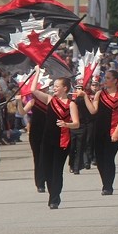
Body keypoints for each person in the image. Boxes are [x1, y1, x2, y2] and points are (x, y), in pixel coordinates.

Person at [31, 73, 80, 209]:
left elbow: (76, 123)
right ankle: (52, 193)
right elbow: (33, 90)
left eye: (57, 86)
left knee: (56, 170)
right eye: (54, 86)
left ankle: (54, 198)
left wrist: (66, 124)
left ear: (65, 88)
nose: (54, 88)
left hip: (62, 141)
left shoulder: (71, 104)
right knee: (46, 169)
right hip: (47, 140)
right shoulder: (50, 99)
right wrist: (36, 72)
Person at [81, 70, 118, 196]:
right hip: (99, 130)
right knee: (100, 159)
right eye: (105, 77)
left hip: (113, 130)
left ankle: (108, 186)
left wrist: (117, 131)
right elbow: (93, 110)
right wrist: (85, 96)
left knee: (108, 158)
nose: (105, 80)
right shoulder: (99, 94)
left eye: (108, 78)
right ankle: (105, 182)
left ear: (115, 80)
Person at [23, 79, 48, 193]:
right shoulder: (33, 101)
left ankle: (48, 179)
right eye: (41, 89)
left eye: (45, 88)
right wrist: (19, 102)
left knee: (46, 156)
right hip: (35, 132)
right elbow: (22, 112)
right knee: (37, 157)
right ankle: (40, 183)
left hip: (48, 131)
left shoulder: (50, 100)